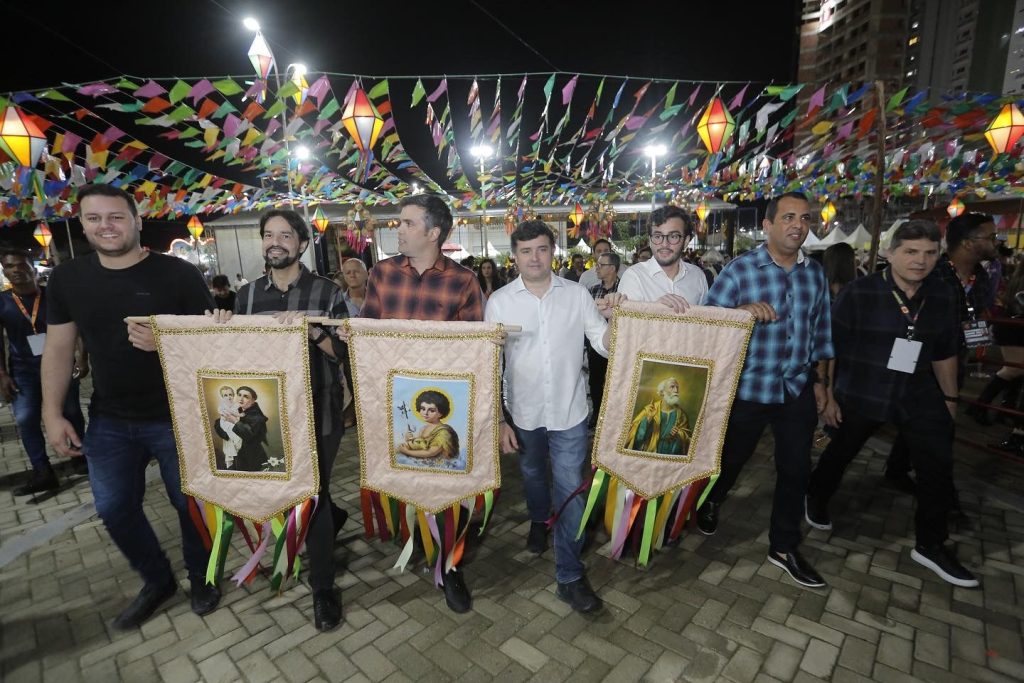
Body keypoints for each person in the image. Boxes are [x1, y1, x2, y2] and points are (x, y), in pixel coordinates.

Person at [42, 183, 220, 629]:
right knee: (114, 508)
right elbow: (59, 348)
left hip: (179, 415)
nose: (106, 226)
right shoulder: (67, 279)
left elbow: (213, 343)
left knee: (193, 506)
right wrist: (51, 412)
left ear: (137, 221)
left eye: (116, 216)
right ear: (82, 225)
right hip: (109, 418)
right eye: (94, 218)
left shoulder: (178, 274)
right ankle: (157, 580)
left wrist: (168, 342)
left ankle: (203, 577)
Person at [806, 220, 978, 587]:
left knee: (937, 466)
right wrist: (827, 392)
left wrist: (950, 399)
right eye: (911, 252)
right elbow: (829, 346)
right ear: (890, 252)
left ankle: (930, 544)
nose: (920, 260)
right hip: (863, 390)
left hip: (919, 393)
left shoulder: (942, 294)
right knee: (840, 453)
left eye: (929, 253)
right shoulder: (860, 292)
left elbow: (945, 351)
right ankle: (816, 496)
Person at [695, 192, 834, 589]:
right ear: (768, 225)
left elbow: (822, 333)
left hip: (796, 388)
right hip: (748, 389)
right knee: (731, 460)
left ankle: (784, 546)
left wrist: (821, 383)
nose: (798, 225)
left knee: (796, 469)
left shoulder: (815, 274)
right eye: (788, 217)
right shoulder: (739, 271)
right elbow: (707, 324)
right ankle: (712, 499)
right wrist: (740, 313)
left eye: (804, 218)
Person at [485, 219, 624, 613]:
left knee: (570, 488)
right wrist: (499, 420)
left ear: (553, 252)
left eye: (542, 249)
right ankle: (537, 519)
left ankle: (569, 574)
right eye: (526, 251)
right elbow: (491, 362)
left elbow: (602, 344)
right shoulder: (499, 302)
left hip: (569, 410)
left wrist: (618, 321)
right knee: (532, 475)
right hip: (524, 412)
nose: (535, 258)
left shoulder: (576, 295)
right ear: (514, 256)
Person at [223, 208, 349, 631]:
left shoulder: (326, 292)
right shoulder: (246, 296)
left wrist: (313, 332)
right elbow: (238, 358)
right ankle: (324, 526)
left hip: (319, 409)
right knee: (297, 492)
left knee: (314, 494)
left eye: (285, 235)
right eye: (268, 235)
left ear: (301, 243)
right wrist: (222, 328)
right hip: (273, 416)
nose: (275, 242)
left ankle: (323, 587)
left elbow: (346, 352)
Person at [360, 193, 483, 613]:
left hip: (443, 405)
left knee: (447, 482)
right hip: (394, 402)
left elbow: (474, 352)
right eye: (399, 222)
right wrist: (352, 336)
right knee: (403, 472)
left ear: (433, 233)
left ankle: (450, 564)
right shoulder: (382, 274)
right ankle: (416, 538)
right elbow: (366, 333)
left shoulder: (463, 281)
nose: (398, 229)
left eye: (408, 223)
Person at [885, 212, 997, 493]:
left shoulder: (981, 277)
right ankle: (939, 494)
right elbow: (904, 316)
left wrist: (972, 348)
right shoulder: (931, 272)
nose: (996, 242)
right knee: (909, 420)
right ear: (968, 242)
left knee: (936, 421)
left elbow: (977, 316)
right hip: (918, 361)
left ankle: (903, 472)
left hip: (953, 360)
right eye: (991, 237)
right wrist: (900, 367)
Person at [0, 248, 88, 495]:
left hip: (61, 364)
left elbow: (78, 327)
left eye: (21, 265)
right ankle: (42, 471)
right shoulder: (3, 302)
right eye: (9, 267)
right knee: (26, 419)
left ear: (33, 267)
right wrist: (2, 374)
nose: (15, 270)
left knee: (71, 411)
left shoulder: (54, 296)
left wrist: (82, 358)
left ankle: (80, 456)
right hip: (23, 370)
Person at [617, 206, 708, 311]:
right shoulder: (634, 276)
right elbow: (625, 320)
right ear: (650, 240)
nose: (664, 244)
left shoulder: (697, 276)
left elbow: (705, 319)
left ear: (686, 241)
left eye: (673, 236)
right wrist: (655, 309)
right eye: (657, 236)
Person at [585, 250, 621, 428]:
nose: (596, 268)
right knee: (596, 380)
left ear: (612, 268)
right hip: (596, 345)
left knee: (617, 380)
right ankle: (597, 413)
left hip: (620, 344)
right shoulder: (592, 290)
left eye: (601, 265)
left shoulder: (623, 290)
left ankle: (615, 416)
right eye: (597, 264)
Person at [627, 377, 691, 455]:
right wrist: (648, 419)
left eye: (677, 387)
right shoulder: (650, 410)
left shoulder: (681, 414)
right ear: (662, 392)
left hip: (671, 453)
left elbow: (688, 438)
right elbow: (635, 435)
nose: (676, 390)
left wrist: (679, 433)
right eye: (672, 387)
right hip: (652, 451)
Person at [214, 386, 269, 472]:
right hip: (239, 457)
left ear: (253, 400)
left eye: (246, 396)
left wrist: (235, 421)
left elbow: (249, 435)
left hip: (251, 458)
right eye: (239, 395)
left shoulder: (257, 417)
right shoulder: (238, 409)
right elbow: (220, 424)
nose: (241, 399)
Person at [397, 390, 459, 462]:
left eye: (431, 410)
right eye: (423, 409)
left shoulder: (444, 433)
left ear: (440, 413)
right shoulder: (423, 428)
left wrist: (406, 451)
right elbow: (422, 445)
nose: (425, 413)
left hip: (438, 464)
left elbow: (431, 452)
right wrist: (410, 439)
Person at [214, 385, 242, 469]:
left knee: (237, 435)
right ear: (222, 397)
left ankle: (237, 445)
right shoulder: (222, 406)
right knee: (231, 432)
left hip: (235, 423)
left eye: (230, 394)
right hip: (225, 424)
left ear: (233, 395)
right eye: (225, 395)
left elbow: (240, 416)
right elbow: (225, 417)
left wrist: (237, 417)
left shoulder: (237, 405)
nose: (228, 397)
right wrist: (233, 416)